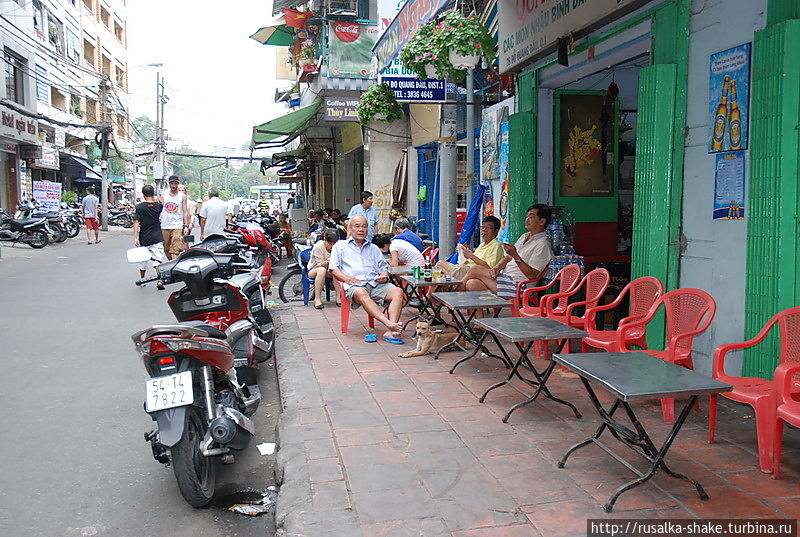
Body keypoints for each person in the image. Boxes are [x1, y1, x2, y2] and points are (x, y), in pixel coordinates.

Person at [330, 215, 404, 339]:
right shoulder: (340, 246)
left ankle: (391, 330)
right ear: (350, 228)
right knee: (361, 292)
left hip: (375, 284)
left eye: (364, 227)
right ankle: (390, 324)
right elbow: (333, 269)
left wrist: (384, 275)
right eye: (357, 226)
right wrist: (348, 279)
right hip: (354, 285)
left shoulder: (374, 248)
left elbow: (383, 268)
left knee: (398, 291)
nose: (361, 230)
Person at [460, 204, 553, 299]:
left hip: (520, 286)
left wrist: (516, 256)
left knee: (475, 269)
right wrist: (496, 268)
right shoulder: (524, 236)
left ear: (542, 221)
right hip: (506, 278)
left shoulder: (543, 244)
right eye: (527, 216)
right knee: (472, 284)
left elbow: (532, 275)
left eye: (531, 217)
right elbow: (508, 257)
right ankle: (479, 314)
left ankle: (451, 297)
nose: (527, 220)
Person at [436, 216, 505, 280]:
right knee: (439, 271)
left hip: (472, 273)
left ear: (496, 231)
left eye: (488, 228)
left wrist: (471, 256)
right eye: (483, 227)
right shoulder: (482, 245)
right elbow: (472, 260)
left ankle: (451, 284)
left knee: (440, 264)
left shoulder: (496, 246)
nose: (484, 230)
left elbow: (489, 268)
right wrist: (464, 254)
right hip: (466, 269)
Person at [133, 185, 166, 286]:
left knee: (142, 260)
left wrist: (135, 237)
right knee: (158, 259)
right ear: (153, 194)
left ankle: (143, 279)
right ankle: (159, 280)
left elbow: (136, 222)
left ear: (143, 195)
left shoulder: (139, 207)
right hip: (157, 236)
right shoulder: (159, 206)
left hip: (144, 237)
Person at [307, 228, 342, 309]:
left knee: (336, 270)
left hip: (329, 270)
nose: (332, 246)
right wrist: (328, 262)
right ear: (324, 239)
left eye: (334, 243)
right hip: (314, 270)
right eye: (330, 243)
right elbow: (319, 264)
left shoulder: (338, 247)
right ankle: (317, 299)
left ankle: (338, 298)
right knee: (322, 270)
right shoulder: (318, 246)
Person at [160, 175, 191, 260]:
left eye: (175, 183)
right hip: (165, 225)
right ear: (169, 184)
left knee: (176, 248)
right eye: (172, 183)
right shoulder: (164, 195)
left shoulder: (182, 196)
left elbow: (185, 211)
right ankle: (171, 262)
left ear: (178, 184)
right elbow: (160, 210)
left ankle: (174, 265)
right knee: (166, 248)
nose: (173, 186)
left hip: (177, 225)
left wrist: (186, 225)